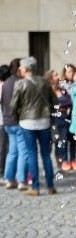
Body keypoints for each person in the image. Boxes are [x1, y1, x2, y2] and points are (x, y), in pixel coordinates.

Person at [10, 57, 57, 196]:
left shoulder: (20, 84)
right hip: (44, 121)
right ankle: (50, 186)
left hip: (26, 122)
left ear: (25, 69)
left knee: (31, 154)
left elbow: (13, 105)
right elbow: (54, 100)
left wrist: (16, 119)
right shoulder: (45, 83)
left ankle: (35, 187)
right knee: (46, 155)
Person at [1, 58, 28, 190]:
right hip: (19, 121)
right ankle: (21, 180)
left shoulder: (5, 83)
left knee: (12, 152)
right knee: (23, 151)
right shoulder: (21, 82)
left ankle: (9, 179)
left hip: (7, 121)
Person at [45, 69, 73, 172]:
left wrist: (61, 105)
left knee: (62, 142)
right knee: (49, 143)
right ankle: (47, 165)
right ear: (50, 78)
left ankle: (61, 164)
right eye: (55, 75)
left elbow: (69, 101)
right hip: (52, 119)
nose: (58, 77)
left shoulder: (62, 89)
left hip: (63, 118)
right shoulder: (46, 90)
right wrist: (57, 106)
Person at [60, 64, 76, 170]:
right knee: (64, 138)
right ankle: (64, 160)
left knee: (73, 139)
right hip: (64, 115)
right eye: (69, 71)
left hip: (74, 114)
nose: (71, 74)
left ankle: (73, 159)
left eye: (72, 71)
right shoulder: (61, 85)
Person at [0, 64, 11, 183]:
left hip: (4, 120)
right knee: (3, 148)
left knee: (5, 148)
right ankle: (2, 172)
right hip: (3, 121)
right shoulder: (4, 86)